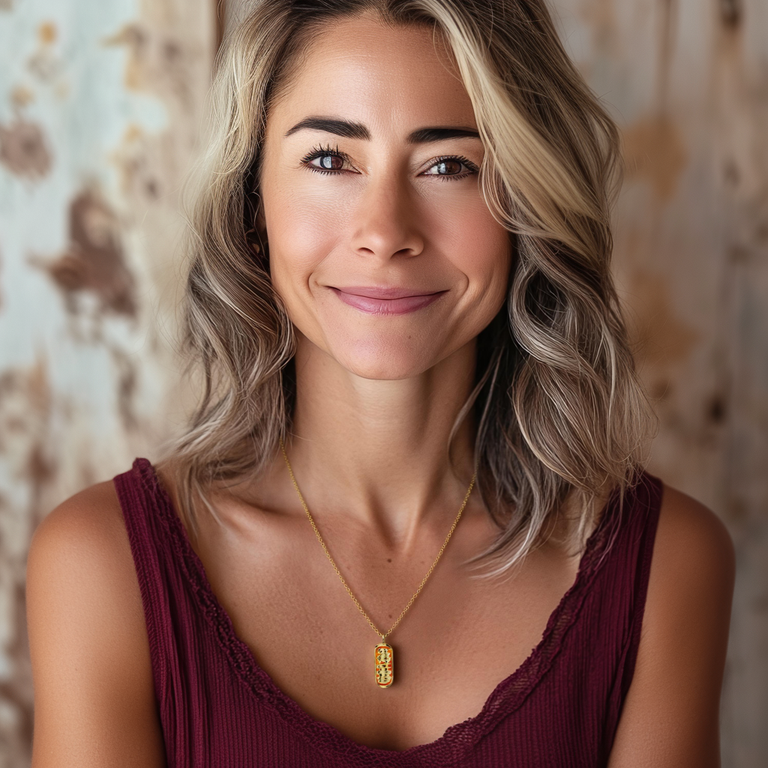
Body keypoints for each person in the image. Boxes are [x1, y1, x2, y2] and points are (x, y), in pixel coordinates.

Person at [25, 1, 735, 766]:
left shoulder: (665, 566)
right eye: (331, 159)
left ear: (525, 205)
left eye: (448, 165)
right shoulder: (103, 565)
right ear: (253, 204)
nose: (385, 230)